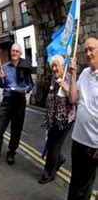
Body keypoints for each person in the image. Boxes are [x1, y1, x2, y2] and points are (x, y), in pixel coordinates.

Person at [53, 38, 98, 200]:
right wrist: (73, 74)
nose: (88, 54)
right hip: (78, 136)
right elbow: (73, 99)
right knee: (76, 175)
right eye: (85, 50)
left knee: (87, 182)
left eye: (92, 49)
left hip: (94, 142)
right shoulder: (85, 73)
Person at [0, 43, 34, 165]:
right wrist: (1, 78)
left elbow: (31, 84)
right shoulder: (5, 67)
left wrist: (26, 90)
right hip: (7, 101)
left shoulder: (25, 67)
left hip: (19, 101)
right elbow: (2, 85)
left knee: (16, 130)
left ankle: (11, 153)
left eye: (16, 51)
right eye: (12, 51)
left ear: (20, 54)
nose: (14, 53)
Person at [38, 54, 76, 184]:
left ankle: (49, 174)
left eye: (56, 65)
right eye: (52, 66)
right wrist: (48, 118)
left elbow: (73, 100)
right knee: (52, 144)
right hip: (53, 119)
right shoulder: (54, 79)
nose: (54, 68)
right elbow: (51, 99)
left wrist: (64, 85)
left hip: (65, 120)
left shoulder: (69, 78)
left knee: (54, 146)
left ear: (62, 66)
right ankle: (58, 160)